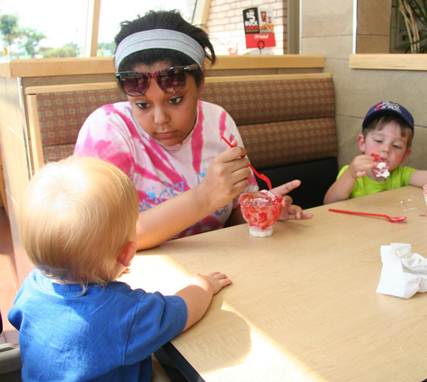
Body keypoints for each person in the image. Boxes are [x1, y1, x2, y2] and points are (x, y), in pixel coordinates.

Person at [74, 10, 311, 250]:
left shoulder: (218, 122)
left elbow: (234, 214)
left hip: (220, 269)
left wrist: (261, 212)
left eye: (175, 100)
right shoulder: (107, 131)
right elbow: (99, 238)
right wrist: (204, 196)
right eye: (142, 105)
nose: (160, 120)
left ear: (200, 84)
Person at [8, 156, 232, 381]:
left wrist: (102, 268)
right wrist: (203, 285)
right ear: (126, 254)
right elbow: (181, 312)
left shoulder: (31, 286)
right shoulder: (125, 312)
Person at [324, 100, 427, 204]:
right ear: (362, 143)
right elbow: (328, 202)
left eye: (396, 146)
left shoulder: (401, 174)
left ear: (405, 155)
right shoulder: (352, 173)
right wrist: (350, 175)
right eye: (378, 140)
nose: (386, 149)